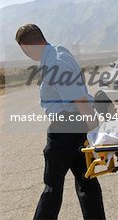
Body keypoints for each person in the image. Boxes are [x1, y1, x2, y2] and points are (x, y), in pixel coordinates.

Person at [15, 24, 106, 219]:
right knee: (87, 182)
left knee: (53, 185)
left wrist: (98, 135)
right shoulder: (57, 53)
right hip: (76, 127)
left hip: (66, 128)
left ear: (27, 46)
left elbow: (80, 101)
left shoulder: (55, 62)